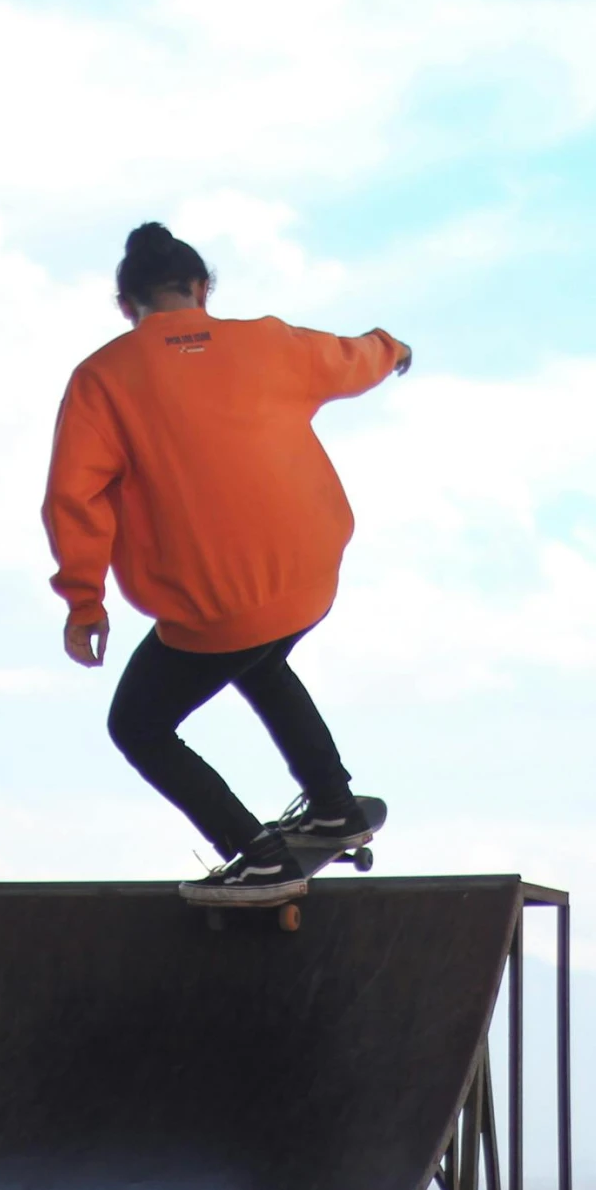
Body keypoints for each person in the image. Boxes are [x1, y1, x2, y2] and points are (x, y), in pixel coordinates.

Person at [42, 221, 411, 906]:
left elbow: (76, 495)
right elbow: (350, 357)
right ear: (201, 289)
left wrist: (83, 601)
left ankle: (257, 856)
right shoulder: (269, 342)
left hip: (215, 605)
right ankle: (336, 805)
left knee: (140, 726)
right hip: (308, 580)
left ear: (127, 306)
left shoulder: (104, 377)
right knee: (261, 656)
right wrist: (393, 351)